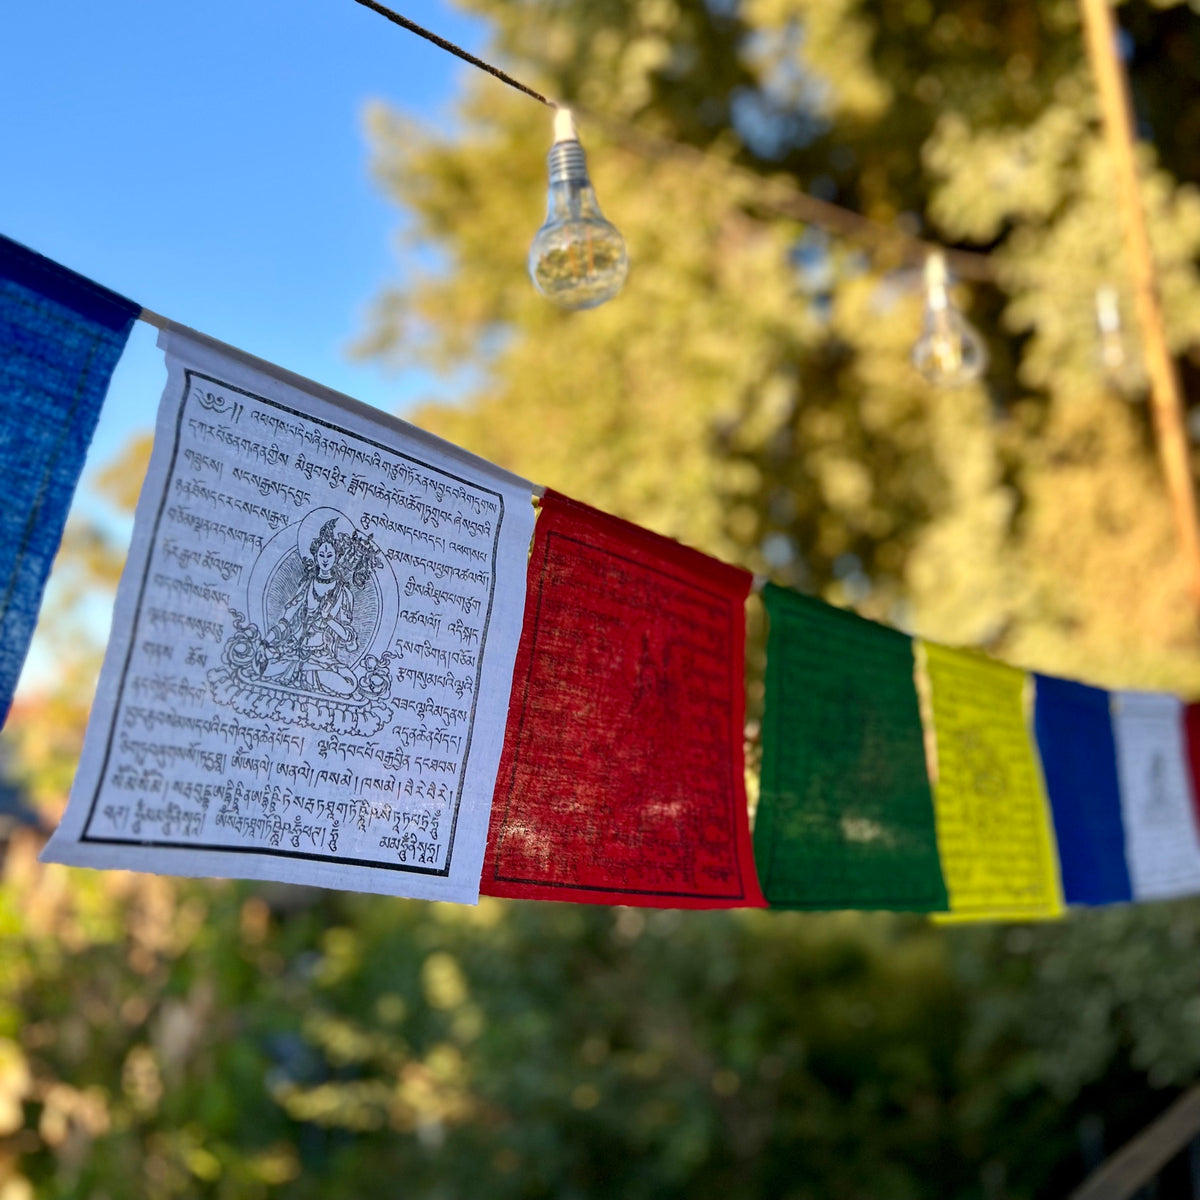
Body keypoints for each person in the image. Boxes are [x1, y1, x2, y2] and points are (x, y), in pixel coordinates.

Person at [261, 522, 359, 696]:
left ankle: (303, 673)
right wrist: (267, 641)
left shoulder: (343, 593)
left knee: (350, 683)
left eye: (330, 554)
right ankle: (303, 672)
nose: (326, 559)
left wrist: (328, 618)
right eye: (321, 554)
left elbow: (348, 638)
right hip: (297, 650)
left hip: (324, 657)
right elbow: (286, 619)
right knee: (266, 667)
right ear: (315, 556)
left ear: (337, 557)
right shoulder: (307, 585)